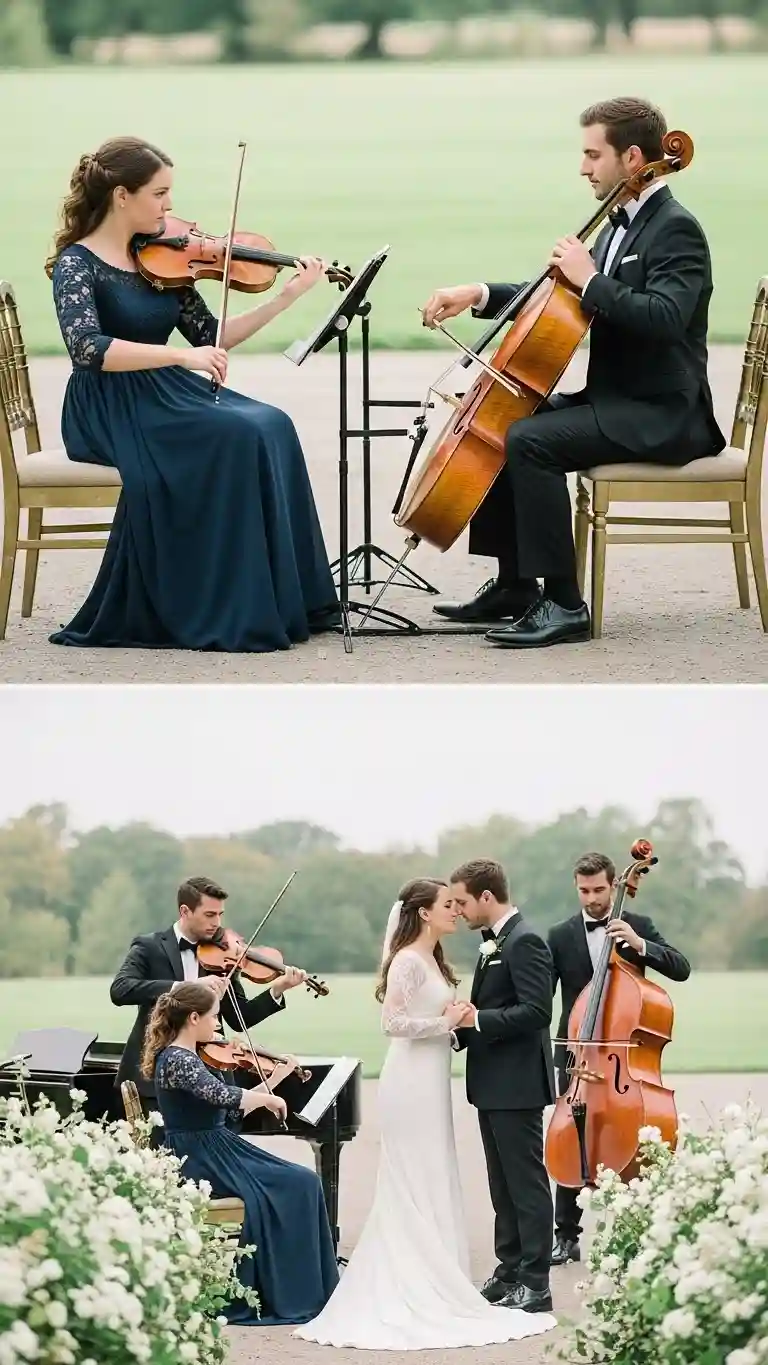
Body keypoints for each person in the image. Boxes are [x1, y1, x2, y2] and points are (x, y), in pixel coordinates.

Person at [420, 96, 725, 649]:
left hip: (661, 415)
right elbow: (555, 300)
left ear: (633, 158)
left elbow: (665, 318)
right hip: (617, 401)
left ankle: (563, 604)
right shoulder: (616, 225)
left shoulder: (677, 229)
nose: (584, 168)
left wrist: (591, 279)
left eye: (593, 154)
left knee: (531, 441)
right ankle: (516, 585)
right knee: (507, 414)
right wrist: (478, 293)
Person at [45, 135, 340, 652]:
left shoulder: (162, 259)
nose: (169, 206)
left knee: (271, 423)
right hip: (110, 403)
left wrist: (289, 297)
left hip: (162, 392)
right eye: (159, 194)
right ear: (121, 196)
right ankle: (224, 603)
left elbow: (212, 336)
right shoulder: (78, 263)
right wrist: (179, 357)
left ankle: (288, 599)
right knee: (236, 435)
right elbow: (87, 348)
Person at [293, 878, 557, 1350]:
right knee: (414, 1174)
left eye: (459, 903)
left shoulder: (437, 958)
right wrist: (451, 1021)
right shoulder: (409, 961)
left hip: (436, 1078)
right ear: (422, 913)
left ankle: (483, 1275)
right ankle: (427, 1276)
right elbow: (391, 1024)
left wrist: (459, 1025)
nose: (455, 911)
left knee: (437, 1172)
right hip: (410, 1082)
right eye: (447, 905)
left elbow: (518, 1011)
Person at [141, 979, 339, 1325]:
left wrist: (277, 1079)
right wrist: (268, 1098)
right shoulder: (177, 1059)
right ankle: (293, 1291)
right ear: (193, 1018)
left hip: (214, 1146)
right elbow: (222, 1097)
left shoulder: (187, 1056)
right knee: (299, 1183)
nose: (217, 1025)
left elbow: (229, 1112)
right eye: (214, 1017)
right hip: (198, 1155)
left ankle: (306, 1287)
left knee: (302, 1182)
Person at [546, 850, 691, 1266]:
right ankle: (566, 1234)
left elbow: (680, 968)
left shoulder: (638, 926)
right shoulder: (560, 935)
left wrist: (641, 945)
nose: (590, 898)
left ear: (614, 886)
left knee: (635, 1137)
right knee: (571, 1135)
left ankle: (641, 1227)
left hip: (623, 1056)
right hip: (578, 1052)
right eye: (583, 890)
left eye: (597, 890)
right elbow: (543, 989)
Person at [449, 859, 556, 1314]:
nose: (458, 910)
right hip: (492, 1083)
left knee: (526, 1185)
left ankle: (536, 1284)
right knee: (502, 1185)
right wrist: (460, 1030)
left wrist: (478, 1019)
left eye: (462, 902)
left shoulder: (525, 940)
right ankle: (509, 1269)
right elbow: (495, 1006)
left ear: (486, 897)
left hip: (518, 1085)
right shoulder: (493, 942)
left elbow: (537, 1012)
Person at [110, 874, 307, 1111]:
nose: (217, 923)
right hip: (153, 1078)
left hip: (210, 1076)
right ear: (185, 911)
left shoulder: (224, 955)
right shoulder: (149, 947)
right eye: (209, 915)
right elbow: (120, 989)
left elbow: (240, 1018)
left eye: (220, 915)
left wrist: (278, 989)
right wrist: (186, 987)